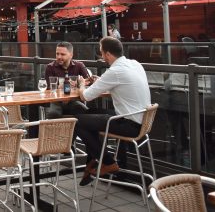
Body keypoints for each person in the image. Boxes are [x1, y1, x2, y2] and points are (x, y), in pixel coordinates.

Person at [76, 37, 151, 186]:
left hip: (129, 124)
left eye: (101, 52)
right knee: (90, 113)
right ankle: (93, 161)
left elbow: (85, 96)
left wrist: (81, 84)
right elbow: (124, 85)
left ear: (108, 54)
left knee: (77, 121)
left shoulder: (115, 71)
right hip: (141, 121)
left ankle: (108, 162)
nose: (101, 56)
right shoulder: (135, 64)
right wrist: (101, 82)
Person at [44, 41, 90, 118]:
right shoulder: (50, 67)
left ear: (71, 55)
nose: (59, 57)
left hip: (74, 100)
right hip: (56, 101)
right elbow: (48, 89)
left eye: (62, 54)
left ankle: (76, 130)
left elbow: (88, 83)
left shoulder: (79, 66)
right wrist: (60, 87)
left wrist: (78, 84)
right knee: (53, 114)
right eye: (57, 54)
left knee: (85, 111)